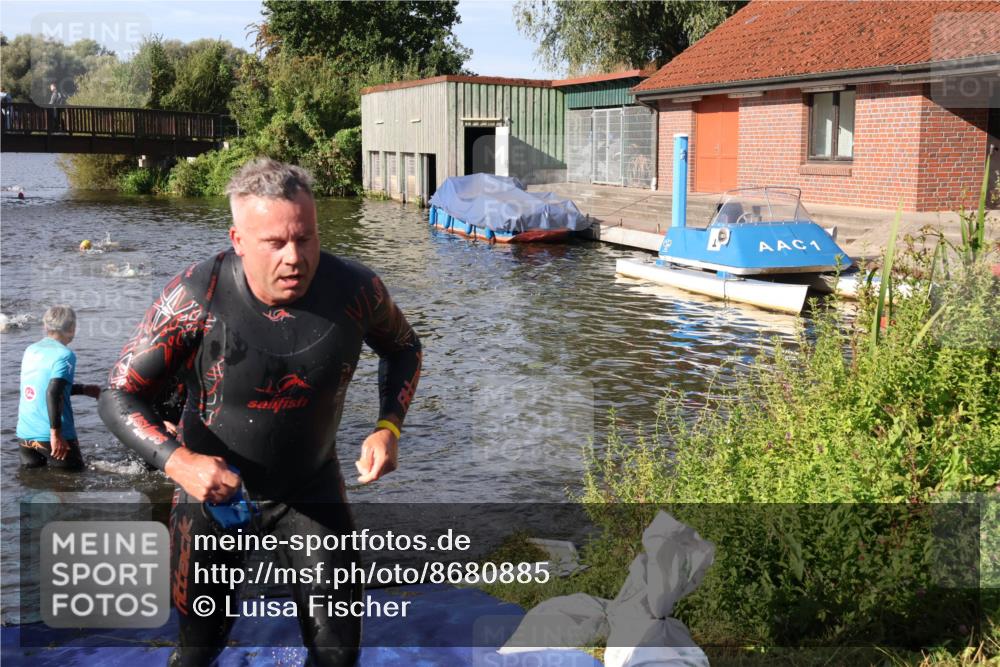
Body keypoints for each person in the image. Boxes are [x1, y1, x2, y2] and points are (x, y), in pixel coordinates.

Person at [99, 158, 422, 667]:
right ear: (238, 239)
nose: (295, 257)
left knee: (338, 653)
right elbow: (118, 394)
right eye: (275, 243)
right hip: (212, 496)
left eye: (307, 237)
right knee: (198, 649)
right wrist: (179, 462)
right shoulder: (194, 298)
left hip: (310, 489)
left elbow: (404, 347)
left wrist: (387, 428)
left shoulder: (356, 290)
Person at [17, 306, 101, 470]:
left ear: (45, 327)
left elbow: (42, 387)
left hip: (25, 434)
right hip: (51, 435)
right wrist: (56, 434)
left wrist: (82, 389)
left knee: (33, 487)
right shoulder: (65, 355)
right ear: (71, 328)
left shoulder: (30, 350)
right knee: (73, 486)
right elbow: (53, 392)